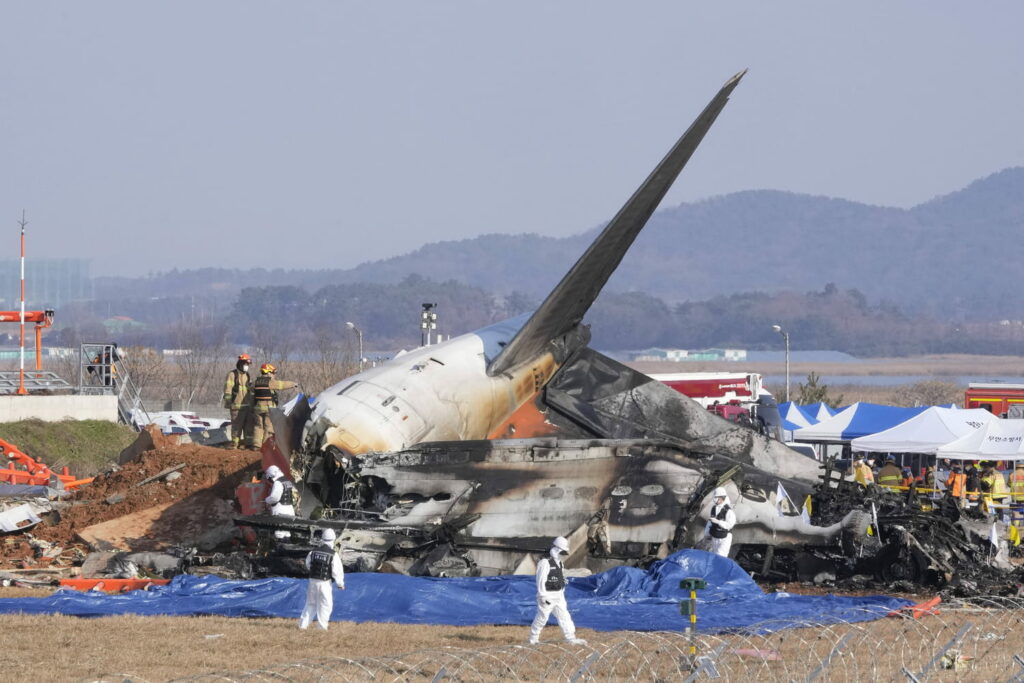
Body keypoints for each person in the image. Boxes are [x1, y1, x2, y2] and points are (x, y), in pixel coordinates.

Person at [528, 536, 586, 646]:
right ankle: (533, 639)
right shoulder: (545, 562)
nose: (562, 555)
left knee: (564, 616)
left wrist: (562, 585)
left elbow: (560, 575)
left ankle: (570, 638)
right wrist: (542, 596)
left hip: (559, 595)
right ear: (555, 549)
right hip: (548, 596)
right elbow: (540, 580)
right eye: (561, 552)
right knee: (542, 617)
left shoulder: (559, 563)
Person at [298, 528, 345, 631]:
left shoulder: (313, 552)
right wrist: (340, 583)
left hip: (312, 581)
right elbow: (337, 571)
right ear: (333, 540)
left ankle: (303, 625)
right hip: (325, 583)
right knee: (325, 605)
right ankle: (321, 627)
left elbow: (308, 564)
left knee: (310, 604)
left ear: (322, 539)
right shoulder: (333, 554)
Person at [249, 363, 299, 450]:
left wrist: (251, 408)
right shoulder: (270, 382)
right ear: (268, 373)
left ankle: (256, 445)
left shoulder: (255, 383)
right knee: (268, 427)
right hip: (268, 409)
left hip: (257, 409)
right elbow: (282, 385)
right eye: (272, 373)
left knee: (258, 426)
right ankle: (265, 446)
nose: (274, 375)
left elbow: (251, 395)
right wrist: (293, 384)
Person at [223, 354, 253, 449]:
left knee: (249, 427)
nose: (247, 366)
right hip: (236, 406)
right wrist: (229, 402)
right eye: (245, 363)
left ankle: (248, 445)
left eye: (248, 364)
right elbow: (228, 390)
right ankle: (234, 445)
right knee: (237, 427)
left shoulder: (247, 375)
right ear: (240, 363)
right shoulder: (232, 375)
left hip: (247, 406)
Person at [264, 465, 297, 540]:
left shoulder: (278, 482)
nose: (271, 480)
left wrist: (266, 500)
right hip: (289, 510)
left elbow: (274, 497)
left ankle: (281, 549)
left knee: (280, 534)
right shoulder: (287, 480)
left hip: (281, 511)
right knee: (287, 533)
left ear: (272, 475)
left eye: (270, 478)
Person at [704, 487, 736, 557]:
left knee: (720, 557)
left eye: (716, 497)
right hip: (715, 536)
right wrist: (706, 534)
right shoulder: (713, 508)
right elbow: (710, 522)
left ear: (722, 498)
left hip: (724, 538)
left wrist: (718, 522)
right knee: (713, 555)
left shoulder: (728, 511)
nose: (714, 499)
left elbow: (730, 525)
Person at [1010, 462, 1024, 529]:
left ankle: (1015, 527)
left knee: (1016, 512)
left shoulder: (1012, 474)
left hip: (1015, 497)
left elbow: (1009, 484)